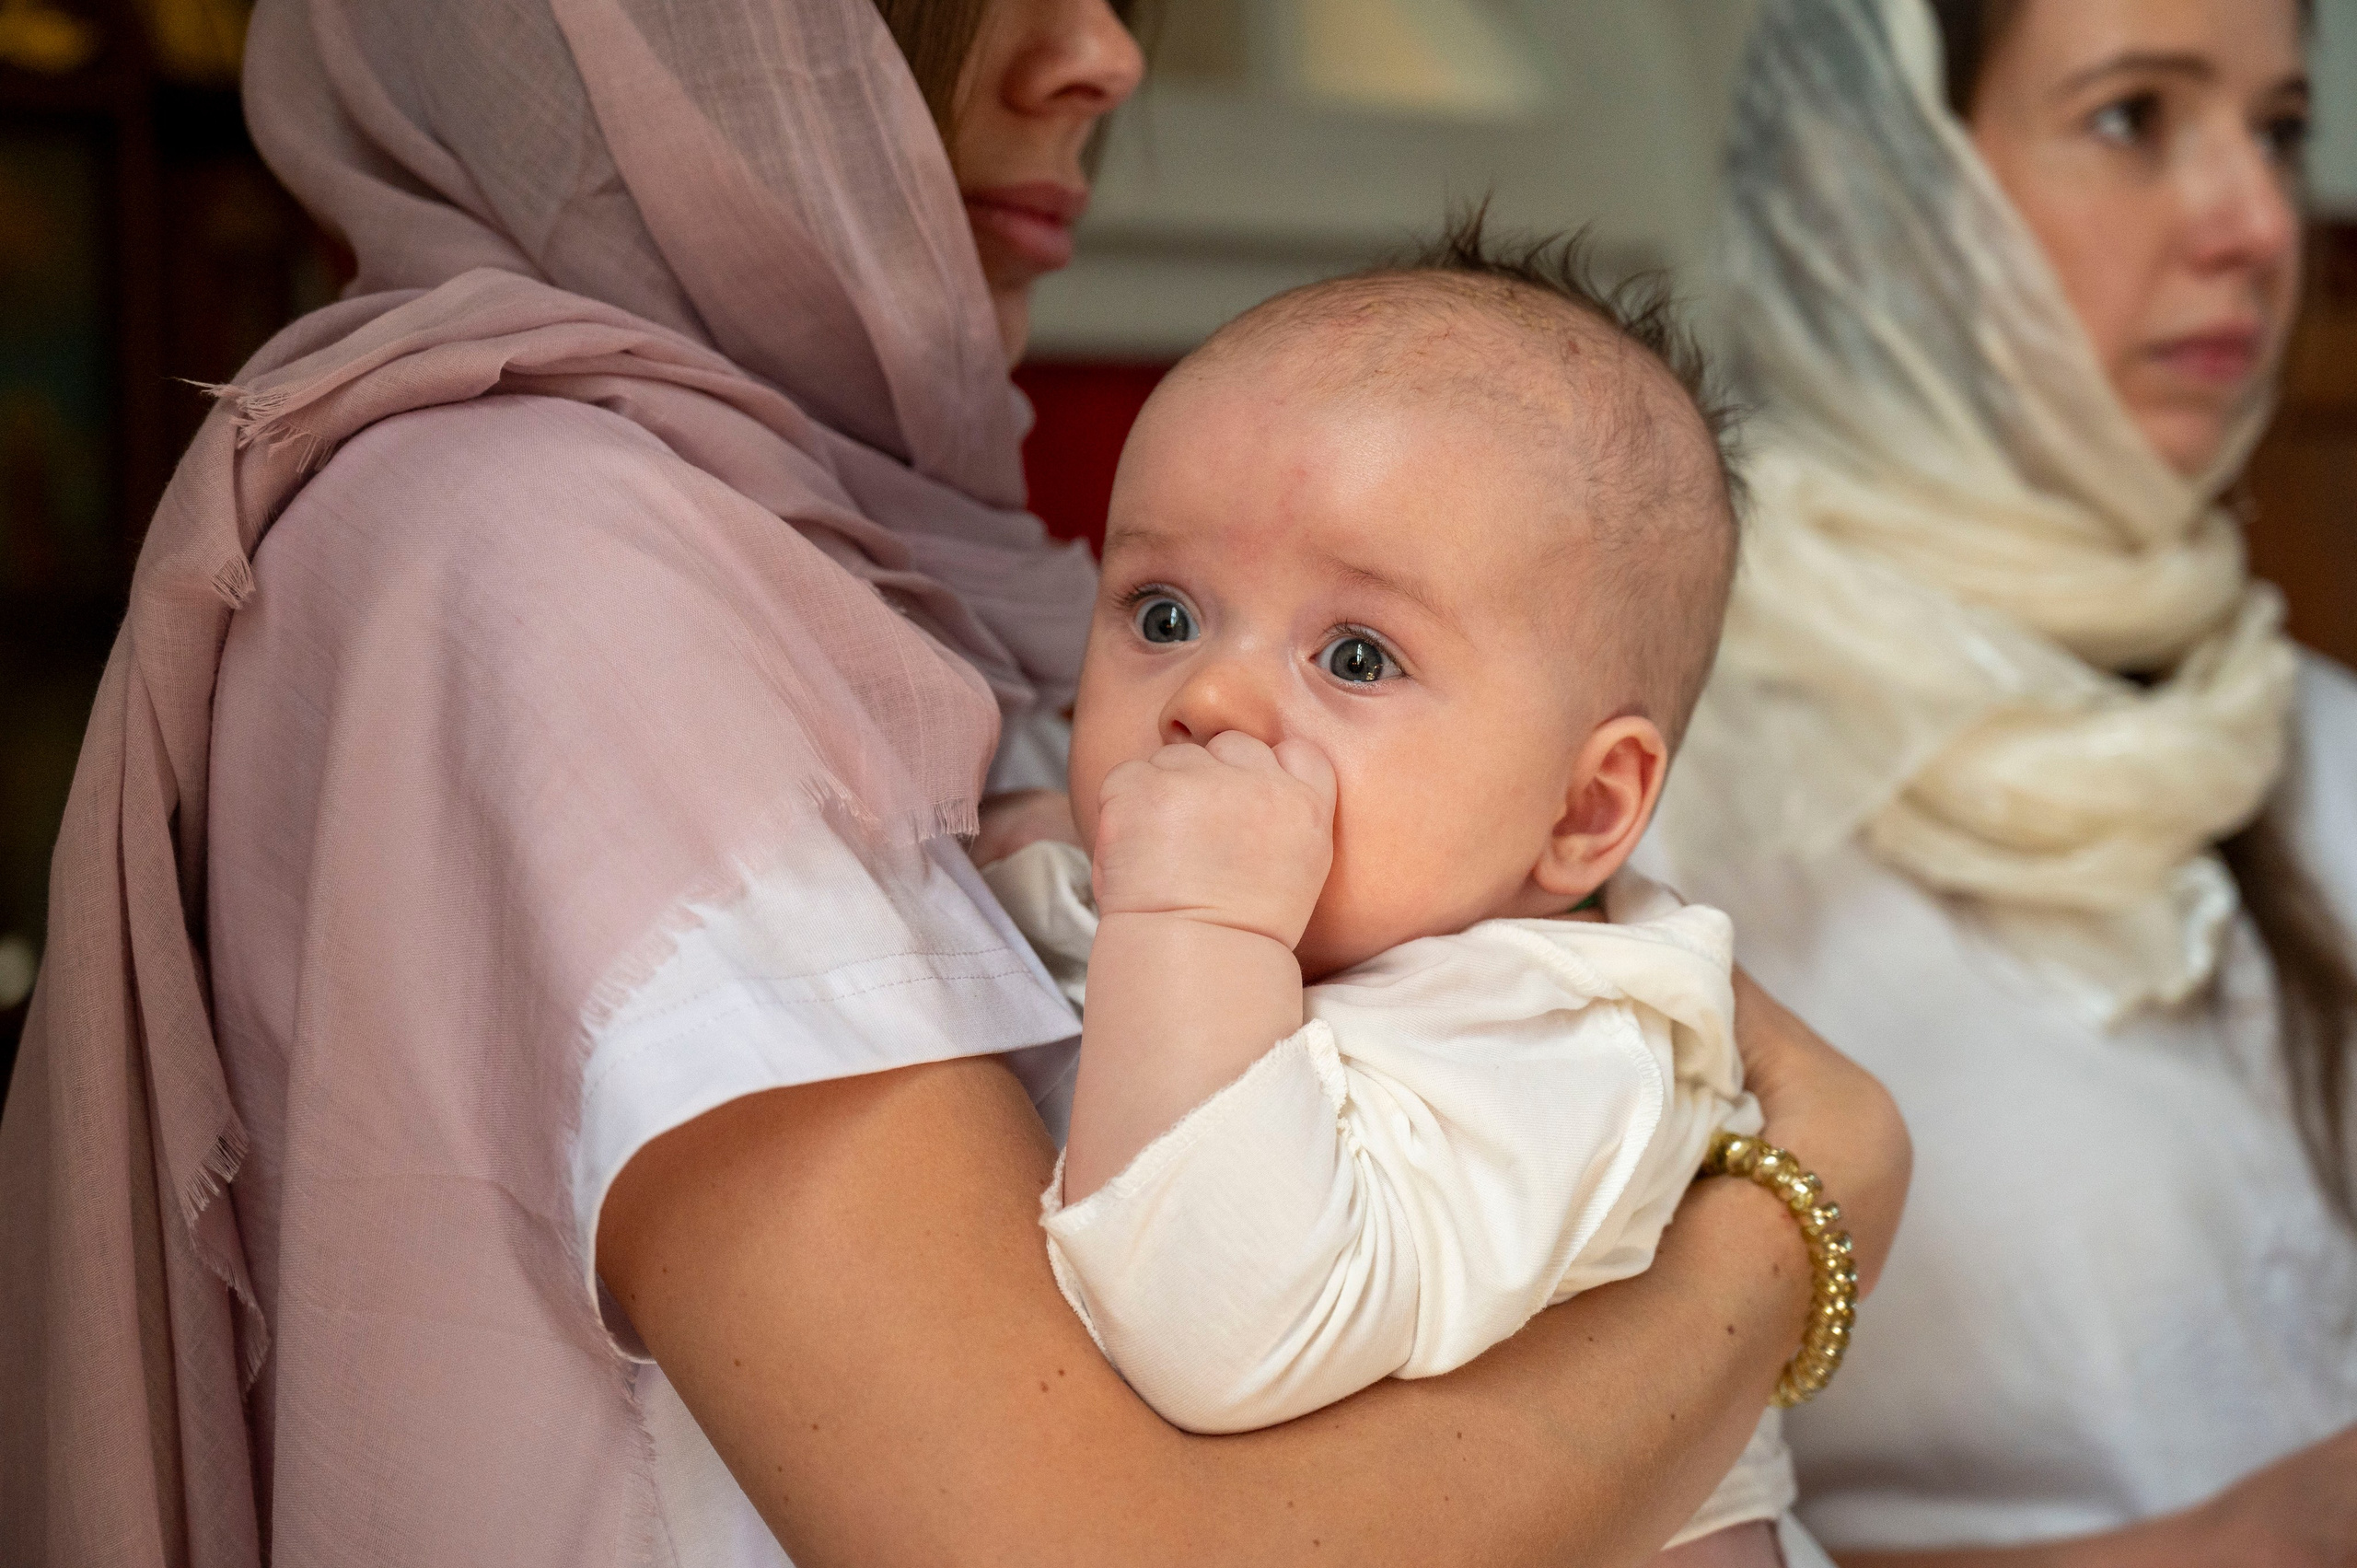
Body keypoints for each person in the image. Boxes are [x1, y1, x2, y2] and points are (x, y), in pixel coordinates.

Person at [0, 1, 1910, 1564]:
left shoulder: (873, 544)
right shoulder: (555, 550)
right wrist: (1797, 1219)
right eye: (1163, 613)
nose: (1105, 54)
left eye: (1354, 656)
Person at [983, 233, 1846, 1568]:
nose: (1207, 696)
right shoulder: (1165, 901)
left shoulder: (1559, 1045)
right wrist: (1033, 853)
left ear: (1584, 810)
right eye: (1162, 616)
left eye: (1356, 655)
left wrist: (1195, 925)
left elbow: (1217, 1330)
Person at [1651, 0, 2357, 1561]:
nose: (2257, 223)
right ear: (1870, 177)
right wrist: (2261, 1538)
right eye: (2133, 117)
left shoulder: (2312, 729)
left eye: (2282, 129)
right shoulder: (1641, 806)